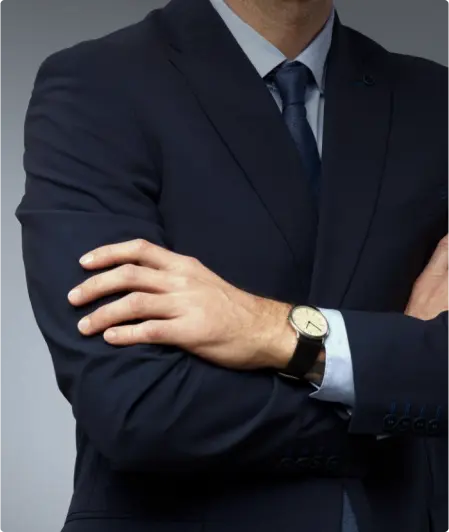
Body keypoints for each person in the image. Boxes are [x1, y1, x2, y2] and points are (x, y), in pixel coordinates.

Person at [16, 0, 449, 531]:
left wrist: (271, 330)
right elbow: (137, 408)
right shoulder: (96, 85)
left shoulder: (434, 103)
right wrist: (395, 387)